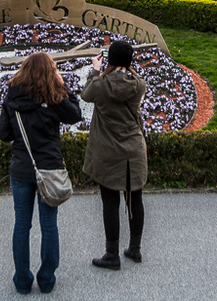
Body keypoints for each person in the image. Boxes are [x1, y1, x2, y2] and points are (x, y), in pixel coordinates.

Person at [0, 52, 83, 294]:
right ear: (50, 72)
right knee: (49, 226)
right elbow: (76, 114)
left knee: (22, 226)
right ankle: (46, 280)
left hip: (22, 168)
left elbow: (4, 134)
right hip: (50, 168)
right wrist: (63, 84)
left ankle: (22, 281)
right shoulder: (54, 97)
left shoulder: (12, 97)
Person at [81, 40, 147, 270]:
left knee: (110, 201)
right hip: (134, 150)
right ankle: (135, 249)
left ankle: (112, 255)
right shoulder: (139, 84)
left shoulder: (100, 85)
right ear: (130, 61)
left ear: (108, 59)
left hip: (108, 152)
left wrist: (95, 70)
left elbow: (85, 95)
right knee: (135, 200)